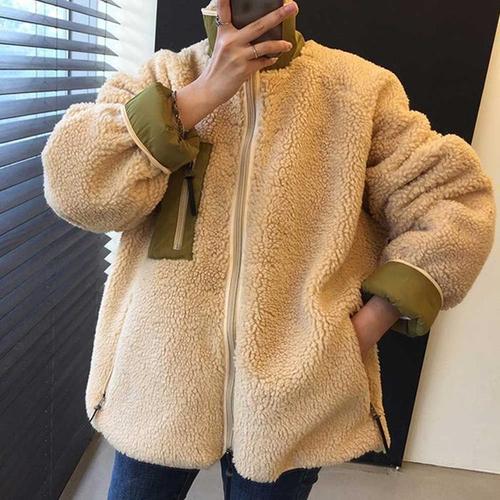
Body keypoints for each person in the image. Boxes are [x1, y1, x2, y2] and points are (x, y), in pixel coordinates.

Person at [41, 0, 496, 498]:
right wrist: (196, 98)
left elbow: (454, 203)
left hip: (292, 394)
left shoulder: (359, 89)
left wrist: (359, 332)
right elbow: (75, 186)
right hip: (157, 379)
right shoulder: (163, 77)